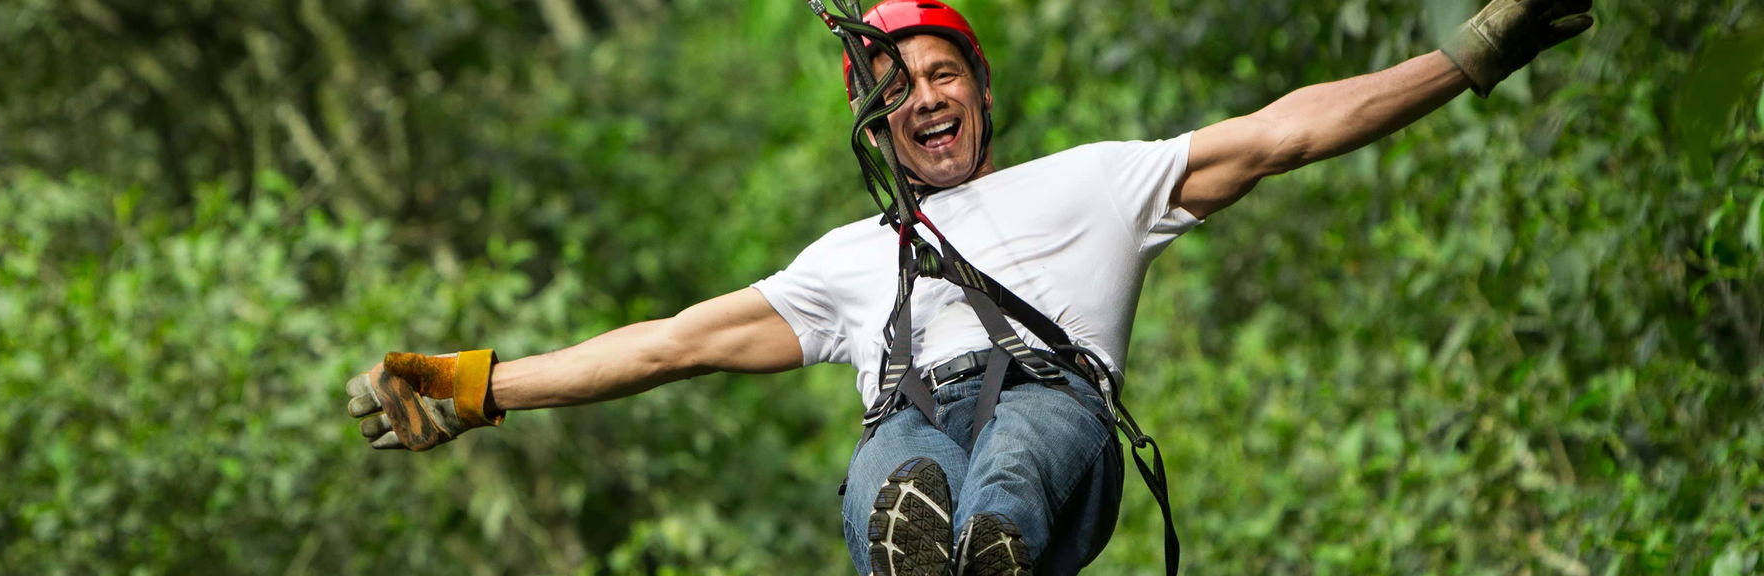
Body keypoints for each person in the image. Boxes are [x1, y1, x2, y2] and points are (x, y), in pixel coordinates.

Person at [343, 0, 1595, 574]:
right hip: (909, 420)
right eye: (895, 92)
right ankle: (939, 550)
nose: (923, 98)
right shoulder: (847, 263)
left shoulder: (1094, 183)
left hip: (1058, 416)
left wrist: (1469, 55)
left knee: (1010, 461)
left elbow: (1286, 130)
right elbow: (668, 344)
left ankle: (991, 547)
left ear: (979, 92)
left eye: (941, 74)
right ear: (877, 132)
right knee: (907, 476)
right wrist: (479, 385)